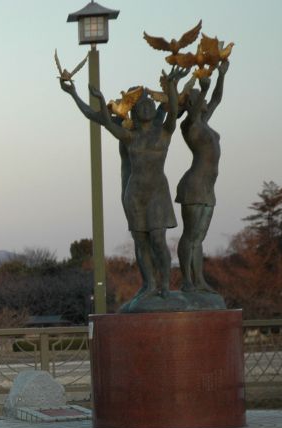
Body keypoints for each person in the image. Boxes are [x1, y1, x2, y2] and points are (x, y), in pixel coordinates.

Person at [86, 66, 188, 302]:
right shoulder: (129, 135)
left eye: (149, 104)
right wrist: (96, 100)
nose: (146, 107)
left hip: (157, 193)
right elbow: (102, 120)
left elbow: (173, 110)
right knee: (141, 241)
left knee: (158, 239)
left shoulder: (164, 132)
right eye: (140, 105)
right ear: (133, 112)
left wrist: (172, 86)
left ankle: (164, 284)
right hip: (135, 194)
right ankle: (150, 284)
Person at [176, 60, 228, 292]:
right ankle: (187, 280)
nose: (205, 101)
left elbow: (216, 100)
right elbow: (198, 107)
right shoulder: (189, 125)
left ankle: (200, 281)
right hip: (194, 186)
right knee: (190, 234)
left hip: (208, 188)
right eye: (199, 98)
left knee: (199, 238)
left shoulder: (204, 123)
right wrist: (202, 88)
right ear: (190, 104)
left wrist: (221, 75)